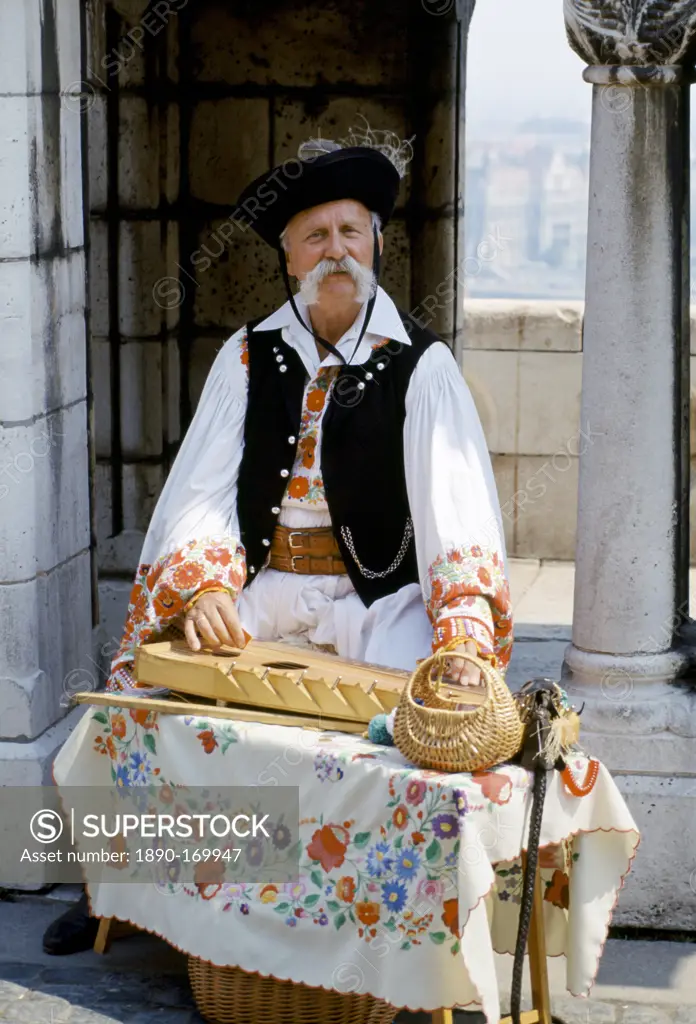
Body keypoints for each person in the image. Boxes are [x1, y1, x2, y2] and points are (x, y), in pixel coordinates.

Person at [43, 130, 512, 955]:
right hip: (262, 587)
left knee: (433, 732)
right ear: (290, 258)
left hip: (379, 598)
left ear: (376, 242)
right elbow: (201, 492)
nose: (337, 251)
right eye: (315, 236)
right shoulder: (248, 357)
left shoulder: (422, 366)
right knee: (143, 707)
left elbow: (457, 513)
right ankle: (121, 886)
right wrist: (206, 589)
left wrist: (463, 627)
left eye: (351, 231)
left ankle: (376, 916)